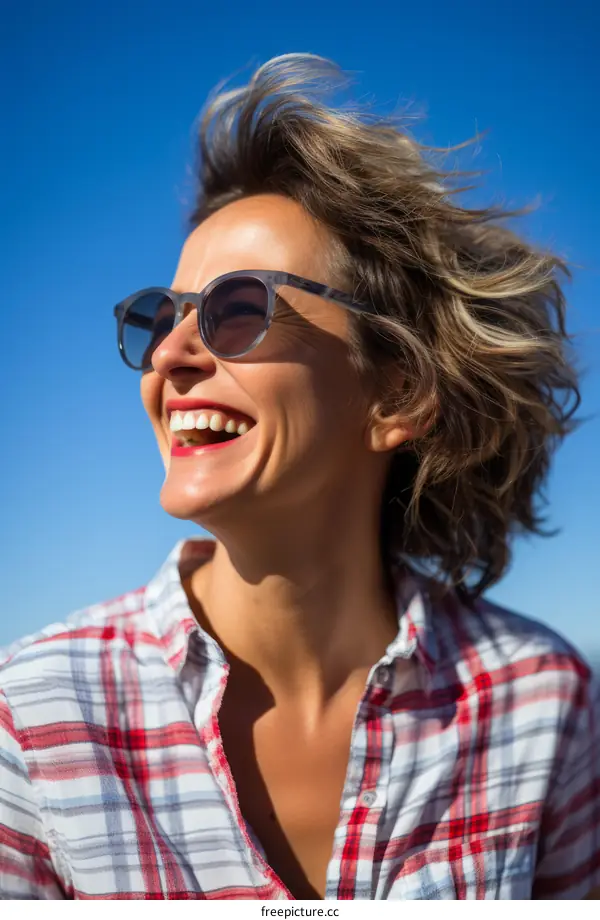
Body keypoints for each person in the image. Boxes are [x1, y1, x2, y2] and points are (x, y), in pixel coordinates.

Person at [0, 53, 598, 901]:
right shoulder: (34, 717)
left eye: (238, 310)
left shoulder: (539, 704)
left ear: (397, 393)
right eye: (158, 317)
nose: (168, 355)